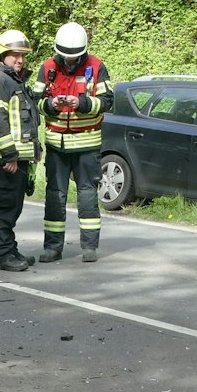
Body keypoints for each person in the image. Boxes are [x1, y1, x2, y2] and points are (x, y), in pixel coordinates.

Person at [34, 21, 114, 263]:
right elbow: (35, 100)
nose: (69, 62)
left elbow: (108, 101)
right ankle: (53, 247)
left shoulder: (96, 66)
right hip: (56, 145)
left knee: (87, 194)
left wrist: (83, 104)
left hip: (87, 145)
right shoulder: (47, 67)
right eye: (65, 57)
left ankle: (89, 247)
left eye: (74, 58)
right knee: (55, 195)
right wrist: (50, 105)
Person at [0, 28, 39, 272]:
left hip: (18, 159)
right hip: (5, 160)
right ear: (2, 54)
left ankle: (9, 249)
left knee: (13, 208)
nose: (20, 60)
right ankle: (2, 256)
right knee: (4, 208)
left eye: (23, 55)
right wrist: (9, 155)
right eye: (15, 55)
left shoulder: (13, 80)